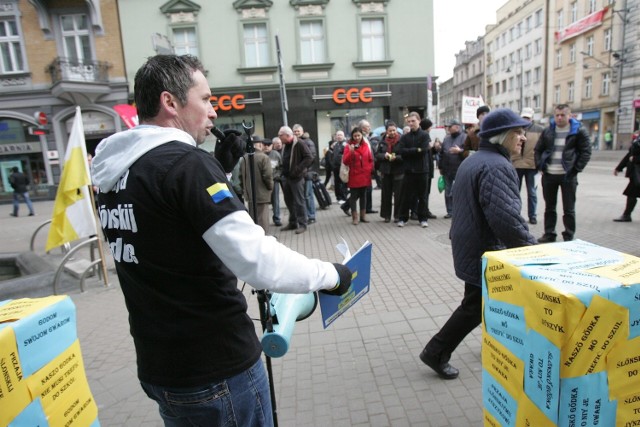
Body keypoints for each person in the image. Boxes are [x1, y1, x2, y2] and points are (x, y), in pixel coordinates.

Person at [91, 54, 352, 427]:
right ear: (170, 102)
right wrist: (331, 274)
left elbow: (169, 233)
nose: (213, 112)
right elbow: (256, 260)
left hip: (162, 364)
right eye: (207, 99)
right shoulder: (185, 165)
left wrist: (221, 169)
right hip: (215, 366)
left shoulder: (115, 171)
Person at [418, 108, 536, 379]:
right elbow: (505, 218)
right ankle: (436, 352)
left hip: (471, 244)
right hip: (485, 249)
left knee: (489, 301)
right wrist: (532, 247)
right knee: (476, 305)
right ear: (501, 136)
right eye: (517, 132)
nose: (523, 138)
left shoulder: (476, 159)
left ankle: (494, 345)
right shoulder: (496, 166)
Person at [534, 104, 592, 242]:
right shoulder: (548, 131)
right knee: (549, 208)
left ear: (569, 115)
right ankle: (549, 234)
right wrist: (540, 165)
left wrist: (576, 169)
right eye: (557, 115)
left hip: (568, 176)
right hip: (549, 175)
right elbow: (538, 149)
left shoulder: (578, 131)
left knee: (569, 209)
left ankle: (569, 236)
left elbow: (586, 151)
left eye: (563, 115)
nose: (559, 118)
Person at [394, 112, 430, 228]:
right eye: (409, 121)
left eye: (413, 121)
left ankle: (423, 218)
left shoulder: (424, 135)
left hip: (422, 170)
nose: (411, 123)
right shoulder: (405, 137)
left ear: (419, 121)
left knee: (422, 196)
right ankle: (402, 218)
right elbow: (400, 151)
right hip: (409, 170)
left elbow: (424, 150)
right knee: (406, 196)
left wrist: (409, 151)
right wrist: (416, 150)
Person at [279, 125, 313, 234]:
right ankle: (293, 222)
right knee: (289, 201)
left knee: (299, 201)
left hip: (297, 178)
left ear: (287, 135)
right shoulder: (286, 145)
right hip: (287, 177)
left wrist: (298, 170)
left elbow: (309, 157)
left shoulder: (299, 143)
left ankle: (303, 224)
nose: (279, 138)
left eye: (281, 136)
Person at [512, 107, 544, 225]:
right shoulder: (515, 128)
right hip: (516, 164)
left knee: (532, 192)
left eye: (528, 118)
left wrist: (540, 164)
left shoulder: (539, 130)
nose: (525, 120)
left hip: (532, 165)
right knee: (515, 192)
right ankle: (515, 214)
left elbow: (543, 147)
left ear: (532, 118)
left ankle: (532, 215)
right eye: (524, 117)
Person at [240, 135, 273, 232]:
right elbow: (268, 176)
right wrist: (270, 187)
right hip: (261, 192)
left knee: (253, 217)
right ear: (259, 144)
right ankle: (263, 238)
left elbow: (241, 177)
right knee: (262, 218)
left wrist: (245, 190)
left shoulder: (245, 158)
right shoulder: (263, 157)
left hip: (249, 193)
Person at [342, 127, 374, 225]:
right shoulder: (348, 146)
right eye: (355, 136)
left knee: (363, 195)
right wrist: (351, 152)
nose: (357, 138)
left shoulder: (365, 145)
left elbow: (370, 159)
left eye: (358, 135)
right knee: (354, 196)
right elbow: (345, 161)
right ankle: (354, 217)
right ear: (352, 136)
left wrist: (369, 170)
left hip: (364, 174)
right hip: (354, 175)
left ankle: (363, 216)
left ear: (361, 136)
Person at [374, 121, 403, 223]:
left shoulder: (401, 140)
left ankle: (397, 216)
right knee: (386, 194)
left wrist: (396, 157)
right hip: (386, 171)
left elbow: (404, 155)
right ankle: (386, 215)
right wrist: (384, 156)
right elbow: (377, 154)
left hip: (398, 170)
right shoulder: (382, 141)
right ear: (386, 131)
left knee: (398, 195)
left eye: (394, 130)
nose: (392, 132)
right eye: (390, 130)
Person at [439, 119, 466, 218]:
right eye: (447, 127)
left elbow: (468, 153)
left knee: (457, 191)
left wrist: (460, 151)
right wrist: (440, 166)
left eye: (450, 127)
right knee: (447, 191)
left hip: (459, 169)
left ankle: (458, 210)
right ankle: (450, 211)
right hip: (447, 170)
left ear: (457, 127)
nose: (448, 129)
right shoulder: (446, 139)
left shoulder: (464, 137)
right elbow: (441, 153)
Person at [612, 133, 640, 222]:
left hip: (637, 173)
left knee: (631, 194)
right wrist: (619, 168)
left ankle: (627, 215)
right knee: (631, 194)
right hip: (635, 173)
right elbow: (629, 156)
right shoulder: (637, 139)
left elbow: (632, 157)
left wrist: (635, 159)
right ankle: (626, 215)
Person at [293, 124, 317, 224]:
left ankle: (311, 216)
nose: (296, 133)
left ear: (302, 131)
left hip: (307, 173)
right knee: (301, 197)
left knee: (308, 195)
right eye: (295, 131)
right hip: (298, 174)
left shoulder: (308, 142)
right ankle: (305, 216)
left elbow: (311, 158)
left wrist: (303, 169)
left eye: (298, 131)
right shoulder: (294, 143)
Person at [264, 137, 283, 226]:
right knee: (264, 201)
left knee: (275, 200)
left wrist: (277, 175)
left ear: (272, 146)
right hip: (263, 182)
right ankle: (264, 219)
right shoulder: (260, 155)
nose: (267, 147)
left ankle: (277, 218)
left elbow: (281, 167)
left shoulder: (276, 154)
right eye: (265, 145)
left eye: (269, 145)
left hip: (274, 180)